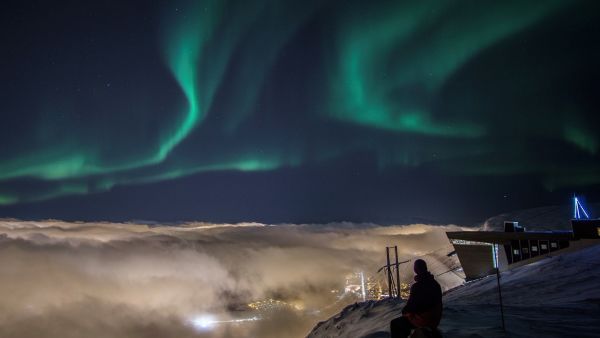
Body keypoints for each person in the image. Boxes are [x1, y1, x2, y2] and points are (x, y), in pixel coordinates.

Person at [390, 259, 442, 338]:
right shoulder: (435, 284)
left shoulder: (417, 286)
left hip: (423, 319)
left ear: (415, 269)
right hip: (436, 318)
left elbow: (411, 306)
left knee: (395, 323)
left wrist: (404, 311)